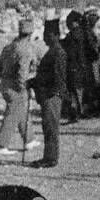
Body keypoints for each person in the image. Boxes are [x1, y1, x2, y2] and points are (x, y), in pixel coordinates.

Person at [0, 19, 40, 157]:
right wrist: (24, 87)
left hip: (5, 84)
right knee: (13, 115)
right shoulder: (25, 49)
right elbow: (22, 73)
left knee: (22, 112)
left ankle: (29, 140)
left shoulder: (9, 47)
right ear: (30, 34)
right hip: (16, 86)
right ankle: (1, 145)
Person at [29, 20, 67, 168]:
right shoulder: (53, 51)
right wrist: (34, 82)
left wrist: (47, 92)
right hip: (48, 95)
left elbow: (58, 77)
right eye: (45, 34)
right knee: (48, 127)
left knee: (51, 127)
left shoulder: (58, 53)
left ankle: (51, 158)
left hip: (51, 96)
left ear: (57, 35)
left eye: (49, 35)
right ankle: (48, 156)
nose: (45, 38)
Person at [61, 10, 94, 123]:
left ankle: (75, 114)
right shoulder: (85, 33)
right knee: (81, 90)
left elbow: (68, 51)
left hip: (74, 67)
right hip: (84, 67)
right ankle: (83, 112)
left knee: (74, 92)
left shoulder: (73, 36)